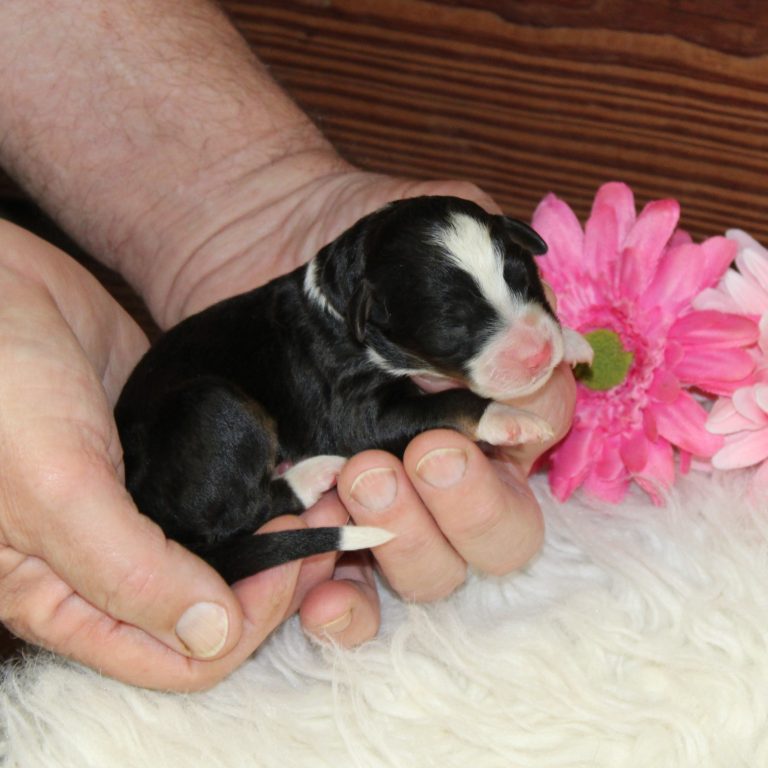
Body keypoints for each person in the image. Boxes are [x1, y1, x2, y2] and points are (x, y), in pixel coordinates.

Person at [0, 0, 576, 691]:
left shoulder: (341, 310)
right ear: (371, 317)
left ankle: (274, 496)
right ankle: (258, 510)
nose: (533, 340)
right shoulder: (332, 340)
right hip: (179, 463)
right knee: (229, 417)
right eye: (462, 324)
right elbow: (372, 423)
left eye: (521, 279)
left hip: (216, 431)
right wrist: (473, 413)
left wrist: (261, 196)